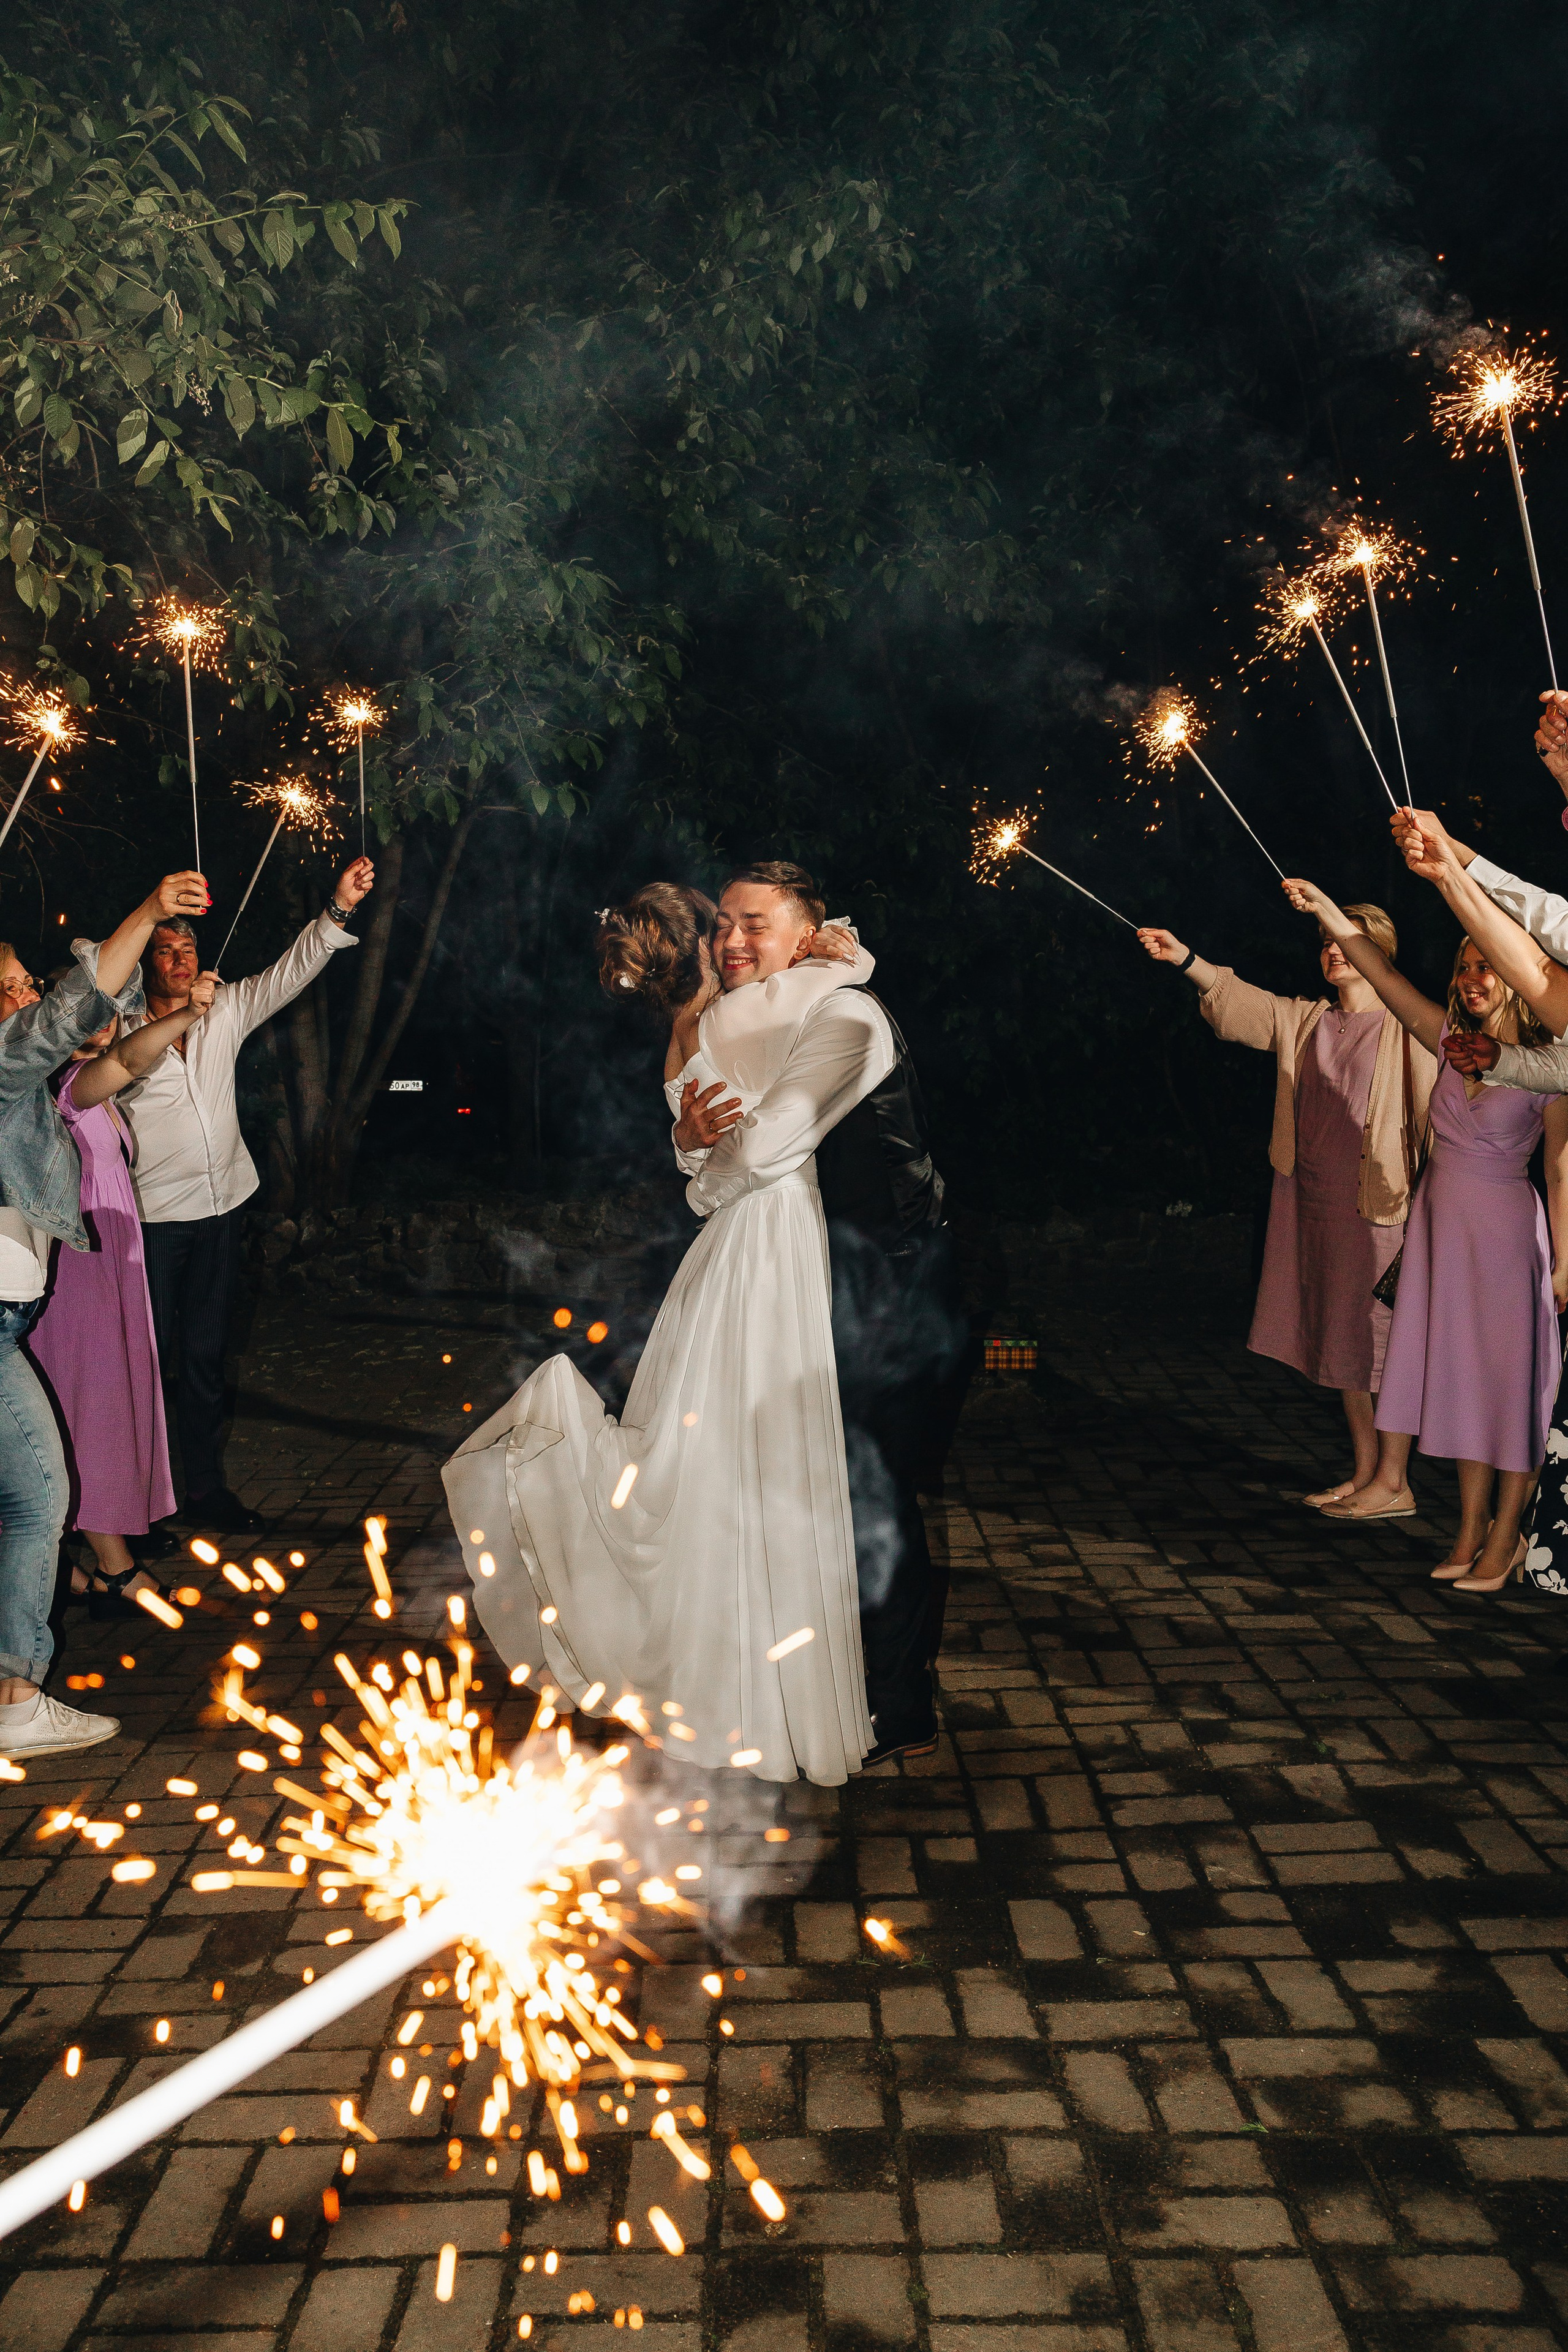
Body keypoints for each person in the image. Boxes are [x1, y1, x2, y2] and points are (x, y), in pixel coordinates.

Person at [444, 879, 877, 1784]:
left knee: (712, 1455)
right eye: (719, 926)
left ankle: (713, 1667)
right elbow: (835, 994)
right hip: (764, 1237)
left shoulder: (686, 1036)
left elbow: (694, 1145)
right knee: (756, 1455)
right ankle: (759, 1689)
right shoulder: (755, 1010)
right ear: (700, 948)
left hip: (719, 1252)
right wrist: (846, 945)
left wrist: (692, 1158)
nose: (732, 938)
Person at [1282, 876, 1568, 1593]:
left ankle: (1505, 1533)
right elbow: (1380, 972)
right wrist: (1322, 907)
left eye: (1488, 966)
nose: (1473, 978)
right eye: (1464, 966)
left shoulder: (1552, 1064)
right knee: (1463, 1383)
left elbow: (1562, 1172)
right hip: (1440, 1233)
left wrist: (1563, 1266)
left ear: (1515, 975)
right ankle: (1468, 1526)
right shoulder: (1446, 1039)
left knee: (1507, 1388)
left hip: (1505, 1236)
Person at [0, 872, 211, 1763]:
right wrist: (152, 913)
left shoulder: (27, 1088)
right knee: (39, 1492)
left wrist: (181, 1022)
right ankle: (15, 1691)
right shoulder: (6, 1066)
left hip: (10, 1319)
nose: (24, 994)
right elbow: (67, 1017)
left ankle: (14, 1689)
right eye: (8, 982)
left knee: (32, 1493)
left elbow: (114, 1064)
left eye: (21, 981)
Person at [1137, 911, 1434, 1516]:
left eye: (1348, 944)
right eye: (1326, 942)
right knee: (1342, 1340)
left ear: (1381, 955)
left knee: (1384, 1345)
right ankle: (1363, 1473)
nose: (1332, 953)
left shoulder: (1410, 1029)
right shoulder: (1307, 1019)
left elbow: (1438, 1124)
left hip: (1384, 1209)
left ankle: (1395, 1480)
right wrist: (1185, 958)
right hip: (1316, 1204)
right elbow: (1243, 1006)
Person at [111, 853, 375, 1533]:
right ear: (144, 963)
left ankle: (204, 1492)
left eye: (186, 944)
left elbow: (292, 971)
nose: (178, 956)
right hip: (152, 1222)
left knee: (202, 1361)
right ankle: (143, 1505)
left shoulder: (224, 1007)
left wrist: (339, 907)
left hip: (221, 1212)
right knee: (148, 1367)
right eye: (164, 948)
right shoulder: (117, 1031)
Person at [29, 974, 219, 1615]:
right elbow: (129, 1059)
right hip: (79, 1277)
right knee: (91, 1409)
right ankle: (114, 1569)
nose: (107, 1020)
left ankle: (70, 1570)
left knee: (96, 1406)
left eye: (114, 1009)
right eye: (93, 1009)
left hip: (110, 1268)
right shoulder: (65, 1087)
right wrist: (187, 1014)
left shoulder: (90, 1088)